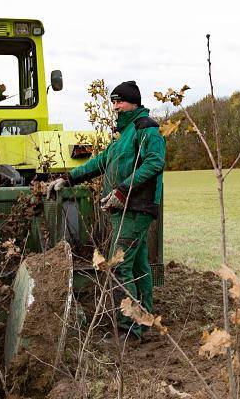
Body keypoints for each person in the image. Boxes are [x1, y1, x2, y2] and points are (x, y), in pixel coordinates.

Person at [48, 81, 165, 339]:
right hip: (125, 209)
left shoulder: (146, 129)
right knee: (138, 267)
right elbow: (99, 163)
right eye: (113, 102)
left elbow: (155, 162)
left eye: (119, 101)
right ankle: (145, 322)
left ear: (134, 102)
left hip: (136, 207)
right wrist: (68, 179)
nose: (115, 106)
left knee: (119, 265)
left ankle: (129, 328)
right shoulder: (122, 136)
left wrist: (123, 190)